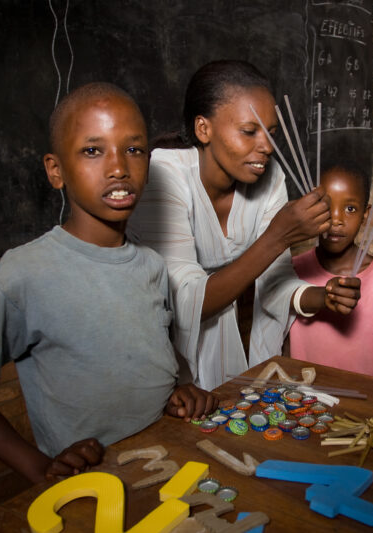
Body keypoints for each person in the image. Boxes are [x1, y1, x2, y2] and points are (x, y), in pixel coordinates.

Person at [0, 83, 218, 484]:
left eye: (134, 149)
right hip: (93, 484)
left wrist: (182, 390)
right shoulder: (23, 274)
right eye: (92, 151)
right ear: (56, 171)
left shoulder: (153, 266)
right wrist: (40, 468)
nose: (119, 167)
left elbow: (152, 356)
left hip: (165, 461)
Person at [126, 60, 360, 390]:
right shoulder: (163, 174)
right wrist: (278, 237)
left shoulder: (271, 177)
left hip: (232, 345)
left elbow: (275, 283)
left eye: (271, 133)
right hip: (161, 353)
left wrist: (323, 296)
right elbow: (184, 304)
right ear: (203, 129)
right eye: (250, 132)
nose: (266, 147)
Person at [284, 162, 373, 379]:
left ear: (365, 215)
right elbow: (286, 342)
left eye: (350, 209)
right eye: (326, 207)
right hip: (302, 395)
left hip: (362, 397)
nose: (336, 219)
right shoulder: (293, 269)